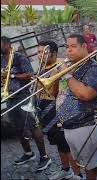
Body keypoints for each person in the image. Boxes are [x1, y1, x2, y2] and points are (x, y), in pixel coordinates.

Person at [52, 34, 97, 179]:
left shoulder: (93, 68)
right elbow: (56, 93)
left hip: (88, 124)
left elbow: (85, 94)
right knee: (86, 165)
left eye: (73, 47)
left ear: (84, 46)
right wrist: (56, 77)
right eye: (67, 47)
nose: (68, 50)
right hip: (70, 126)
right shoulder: (72, 68)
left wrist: (66, 75)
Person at [1, 36, 52, 171]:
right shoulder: (1, 59)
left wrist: (11, 76)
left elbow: (30, 74)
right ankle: (28, 153)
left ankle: (45, 157)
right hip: (10, 97)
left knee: (33, 126)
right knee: (18, 127)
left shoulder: (19, 57)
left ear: (6, 44)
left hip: (23, 96)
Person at [36, 40, 82, 179]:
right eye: (38, 52)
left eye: (43, 52)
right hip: (45, 108)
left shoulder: (62, 65)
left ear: (54, 53)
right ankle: (65, 169)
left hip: (59, 109)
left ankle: (77, 175)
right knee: (58, 142)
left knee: (66, 144)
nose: (40, 55)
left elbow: (66, 91)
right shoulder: (43, 66)